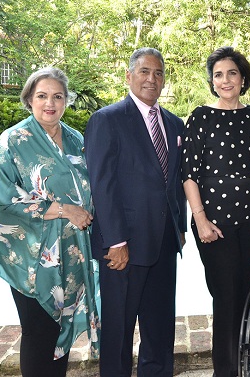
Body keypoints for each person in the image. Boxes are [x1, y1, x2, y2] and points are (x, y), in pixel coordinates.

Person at [0, 67, 99, 376]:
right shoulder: (13, 140)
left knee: (61, 333)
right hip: (31, 254)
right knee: (39, 332)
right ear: (29, 99)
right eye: (42, 96)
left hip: (72, 253)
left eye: (58, 96)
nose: (50, 103)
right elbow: (3, 201)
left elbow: (91, 187)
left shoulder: (75, 139)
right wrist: (64, 210)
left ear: (66, 101)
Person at [84, 47, 187, 377]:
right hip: (123, 247)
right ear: (129, 76)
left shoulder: (173, 123)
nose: (151, 78)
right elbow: (102, 184)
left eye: (158, 73)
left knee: (159, 330)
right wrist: (115, 240)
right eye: (144, 71)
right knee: (119, 332)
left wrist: (179, 227)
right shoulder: (107, 120)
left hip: (164, 244)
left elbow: (174, 181)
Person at [181, 46, 250, 377]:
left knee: (246, 294)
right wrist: (200, 219)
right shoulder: (200, 116)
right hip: (215, 224)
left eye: (232, 73)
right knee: (225, 298)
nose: (225, 80)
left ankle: (245, 365)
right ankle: (225, 372)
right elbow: (189, 173)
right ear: (212, 81)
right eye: (219, 75)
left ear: (243, 79)